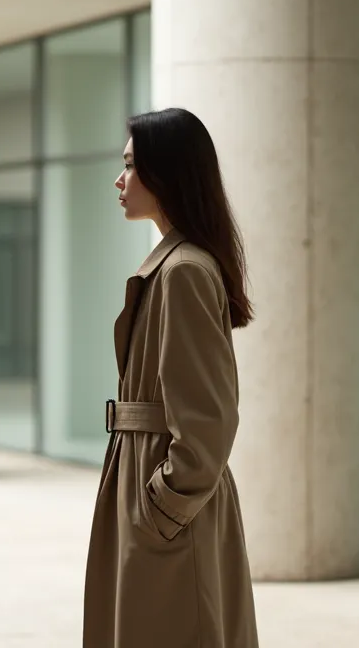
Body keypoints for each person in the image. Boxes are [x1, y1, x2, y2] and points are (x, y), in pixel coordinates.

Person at [82, 107, 259, 648]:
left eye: (132, 165)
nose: (120, 179)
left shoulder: (182, 271)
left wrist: (164, 506)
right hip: (144, 479)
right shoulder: (175, 265)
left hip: (168, 504)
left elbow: (208, 417)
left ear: (167, 174)